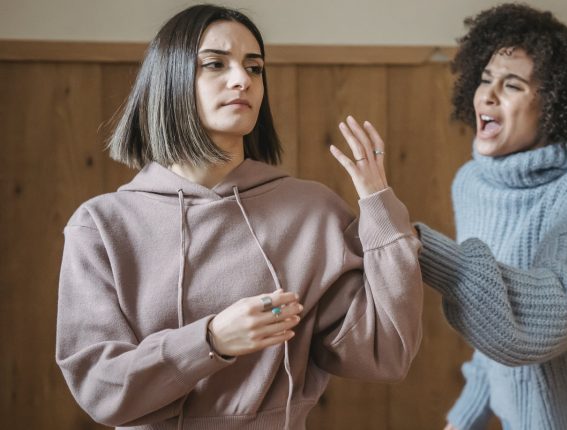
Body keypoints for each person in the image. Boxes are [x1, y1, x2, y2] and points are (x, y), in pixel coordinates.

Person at [55, 4, 422, 430]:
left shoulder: (313, 212)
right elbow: (100, 390)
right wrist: (210, 341)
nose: (242, 80)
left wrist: (380, 207)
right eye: (215, 64)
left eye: (255, 67)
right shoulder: (101, 226)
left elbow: (387, 353)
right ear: (169, 80)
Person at [412, 4, 567, 430]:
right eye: (485, 79)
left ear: (558, 106)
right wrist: (463, 420)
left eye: (512, 84)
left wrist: (422, 249)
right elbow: (493, 311)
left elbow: (549, 318)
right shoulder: (471, 183)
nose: (487, 94)